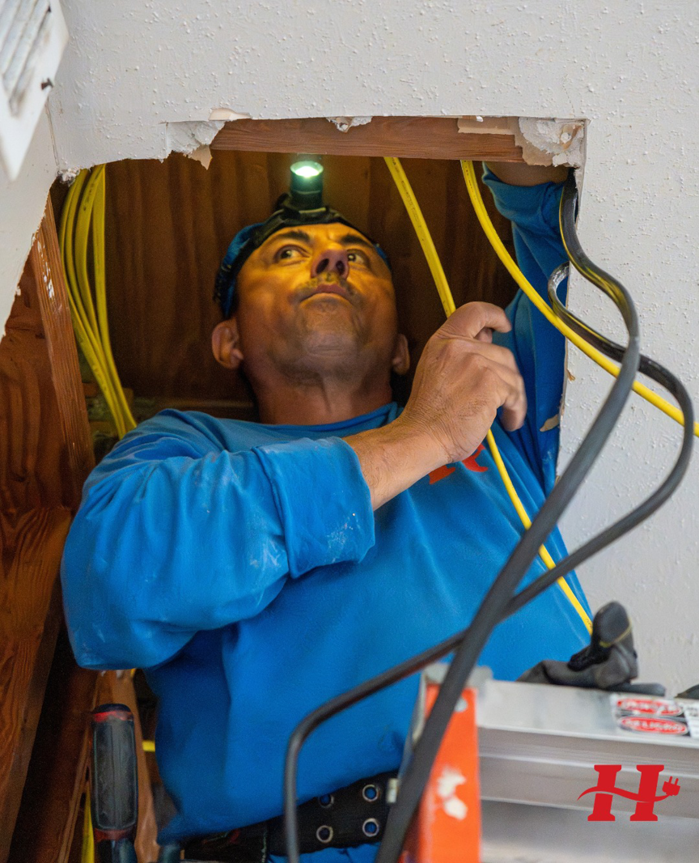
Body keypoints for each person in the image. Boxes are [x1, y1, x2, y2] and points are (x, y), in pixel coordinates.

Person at [61, 161, 590, 860]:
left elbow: (577, 265)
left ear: (404, 348)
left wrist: (519, 169)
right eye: (288, 254)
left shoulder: (500, 430)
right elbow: (115, 576)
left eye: (360, 258)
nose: (332, 258)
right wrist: (419, 437)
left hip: (553, 826)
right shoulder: (188, 447)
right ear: (231, 342)